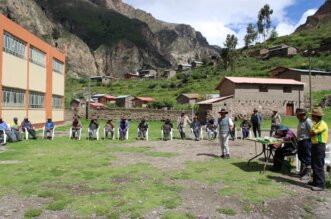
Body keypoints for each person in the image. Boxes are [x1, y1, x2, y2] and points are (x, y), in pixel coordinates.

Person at [308, 107, 328, 191]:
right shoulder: (316, 123)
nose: (311, 117)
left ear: (316, 116)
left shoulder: (322, 124)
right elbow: (310, 133)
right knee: (314, 164)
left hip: (320, 146)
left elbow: (311, 133)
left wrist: (311, 133)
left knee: (319, 165)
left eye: (312, 115)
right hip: (315, 145)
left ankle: (321, 185)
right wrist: (311, 133)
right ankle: (315, 182)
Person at [295, 108, 312, 180]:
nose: (297, 116)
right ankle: (303, 172)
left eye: (298, 115)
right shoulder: (300, 121)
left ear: (302, 115)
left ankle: (308, 174)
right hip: (301, 141)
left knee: (307, 157)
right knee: (301, 156)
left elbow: (312, 131)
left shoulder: (307, 121)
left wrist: (308, 140)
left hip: (306, 141)